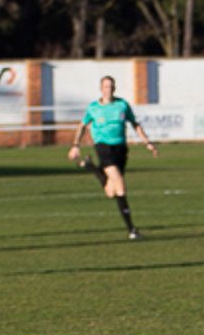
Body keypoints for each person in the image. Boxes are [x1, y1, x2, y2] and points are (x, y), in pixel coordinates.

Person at [67, 75, 156, 239]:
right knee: (120, 185)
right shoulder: (94, 107)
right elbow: (82, 125)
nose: (109, 90)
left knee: (111, 192)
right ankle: (132, 229)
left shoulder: (122, 105)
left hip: (121, 148)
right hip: (103, 147)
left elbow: (134, 124)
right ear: (101, 89)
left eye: (111, 87)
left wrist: (147, 142)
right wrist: (75, 145)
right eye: (106, 87)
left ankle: (90, 166)